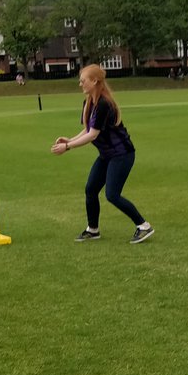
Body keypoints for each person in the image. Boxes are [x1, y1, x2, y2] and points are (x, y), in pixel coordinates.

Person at [50, 63, 153, 244]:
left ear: (94, 81)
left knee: (112, 195)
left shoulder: (104, 104)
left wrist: (68, 147)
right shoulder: (88, 102)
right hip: (107, 155)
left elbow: (93, 134)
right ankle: (93, 229)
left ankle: (143, 226)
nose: (80, 84)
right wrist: (69, 140)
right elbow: (87, 129)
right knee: (91, 189)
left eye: (83, 81)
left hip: (122, 154)